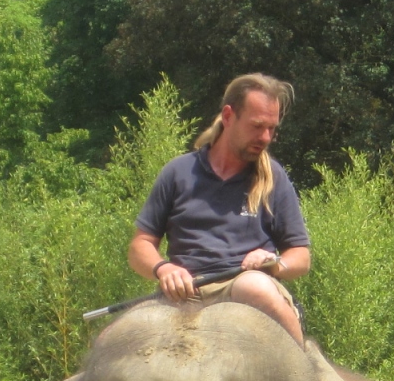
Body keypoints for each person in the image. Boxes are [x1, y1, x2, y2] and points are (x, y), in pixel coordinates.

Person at [128, 73, 311, 343]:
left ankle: (302, 363)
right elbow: (140, 246)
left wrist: (274, 264)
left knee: (254, 286)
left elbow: (301, 257)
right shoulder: (178, 172)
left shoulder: (274, 177)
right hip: (185, 292)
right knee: (119, 336)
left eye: (272, 128)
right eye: (257, 126)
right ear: (228, 116)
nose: (265, 137)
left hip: (243, 284)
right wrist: (164, 269)